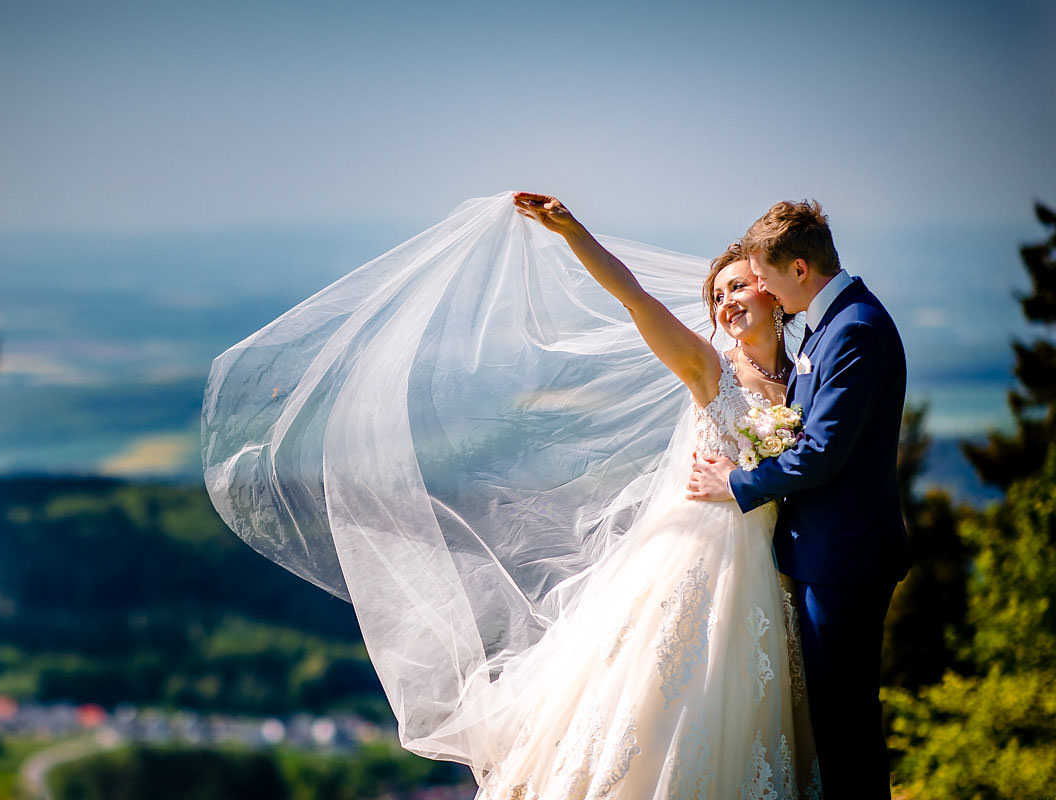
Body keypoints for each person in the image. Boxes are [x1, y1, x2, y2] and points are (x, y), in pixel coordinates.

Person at [203, 191, 821, 798]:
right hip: (697, 557)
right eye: (716, 295)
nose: (725, 302)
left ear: (772, 291)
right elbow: (637, 302)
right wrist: (574, 233)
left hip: (768, 563)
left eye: (738, 287)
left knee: (751, 701)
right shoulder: (707, 369)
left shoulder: (802, 378)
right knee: (670, 694)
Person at [687, 200, 910, 799]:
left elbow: (821, 451)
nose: (760, 289)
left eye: (763, 276)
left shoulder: (854, 327)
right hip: (825, 553)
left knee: (845, 721)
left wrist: (735, 484)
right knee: (834, 719)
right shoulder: (831, 322)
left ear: (800, 269)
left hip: (845, 558)